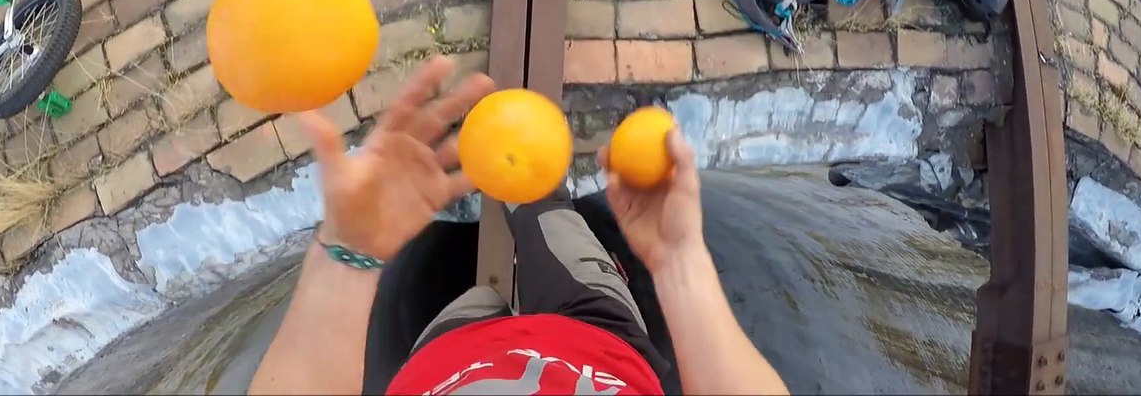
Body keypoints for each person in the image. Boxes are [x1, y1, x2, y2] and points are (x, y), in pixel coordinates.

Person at [250, 57, 788, 396]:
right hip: (601, 334)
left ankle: (503, 253)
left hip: (448, 350)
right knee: (548, 219)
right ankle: (530, 192)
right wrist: (677, 263)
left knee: (480, 298)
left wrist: (349, 257)